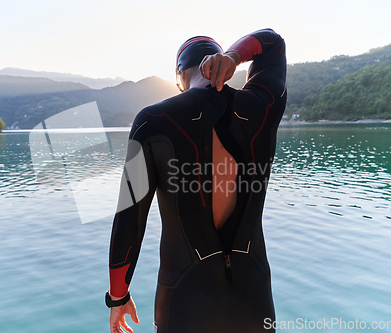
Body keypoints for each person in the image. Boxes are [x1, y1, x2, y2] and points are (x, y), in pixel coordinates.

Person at [107, 28, 287, 333]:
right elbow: (272, 43)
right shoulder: (263, 107)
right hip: (254, 298)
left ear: (179, 79)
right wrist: (234, 56)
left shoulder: (152, 122)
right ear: (225, 69)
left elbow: (129, 220)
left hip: (185, 301)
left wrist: (118, 297)